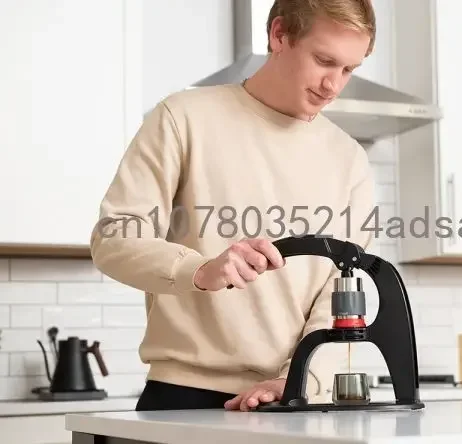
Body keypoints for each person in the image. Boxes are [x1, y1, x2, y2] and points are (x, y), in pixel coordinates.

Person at [90, 0, 377, 412]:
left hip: (292, 397)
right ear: (279, 35)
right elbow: (114, 239)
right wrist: (200, 270)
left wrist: (303, 376)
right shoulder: (183, 117)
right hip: (182, 397)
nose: (333, 85)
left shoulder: (349, 159)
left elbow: (346, 285)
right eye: (324, 61)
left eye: (348, 69)